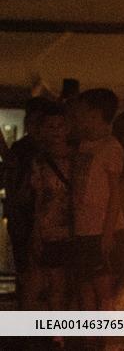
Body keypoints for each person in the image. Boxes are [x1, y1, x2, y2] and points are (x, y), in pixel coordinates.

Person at [71, 88, 124, 311]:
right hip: (82, 229)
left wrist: (108, 233)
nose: (78, 117)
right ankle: (90, 339)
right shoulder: (83, 145)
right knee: (85, 286)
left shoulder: (111, 148)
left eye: (83, 112)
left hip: (100, 230)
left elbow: (115, 194)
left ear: (96, 114)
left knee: (104, 290)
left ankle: (108, 341)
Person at [22, 100, 74, 311]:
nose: (55, 132)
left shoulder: (77, 158)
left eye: (59, 126)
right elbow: (38, 198)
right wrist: (36, 231)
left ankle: (57, 335)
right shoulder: (40, 161)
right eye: (50, 127)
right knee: (44, 283)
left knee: (62, 285)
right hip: (48, 229)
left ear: (67, 128)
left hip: (71, 230)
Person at [3, 96, 48, 306]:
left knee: (37, 271)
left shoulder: (46, 149)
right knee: (27, 269)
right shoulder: (22, 148)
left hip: (35, 215)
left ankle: (33, 325)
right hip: (22, 215)